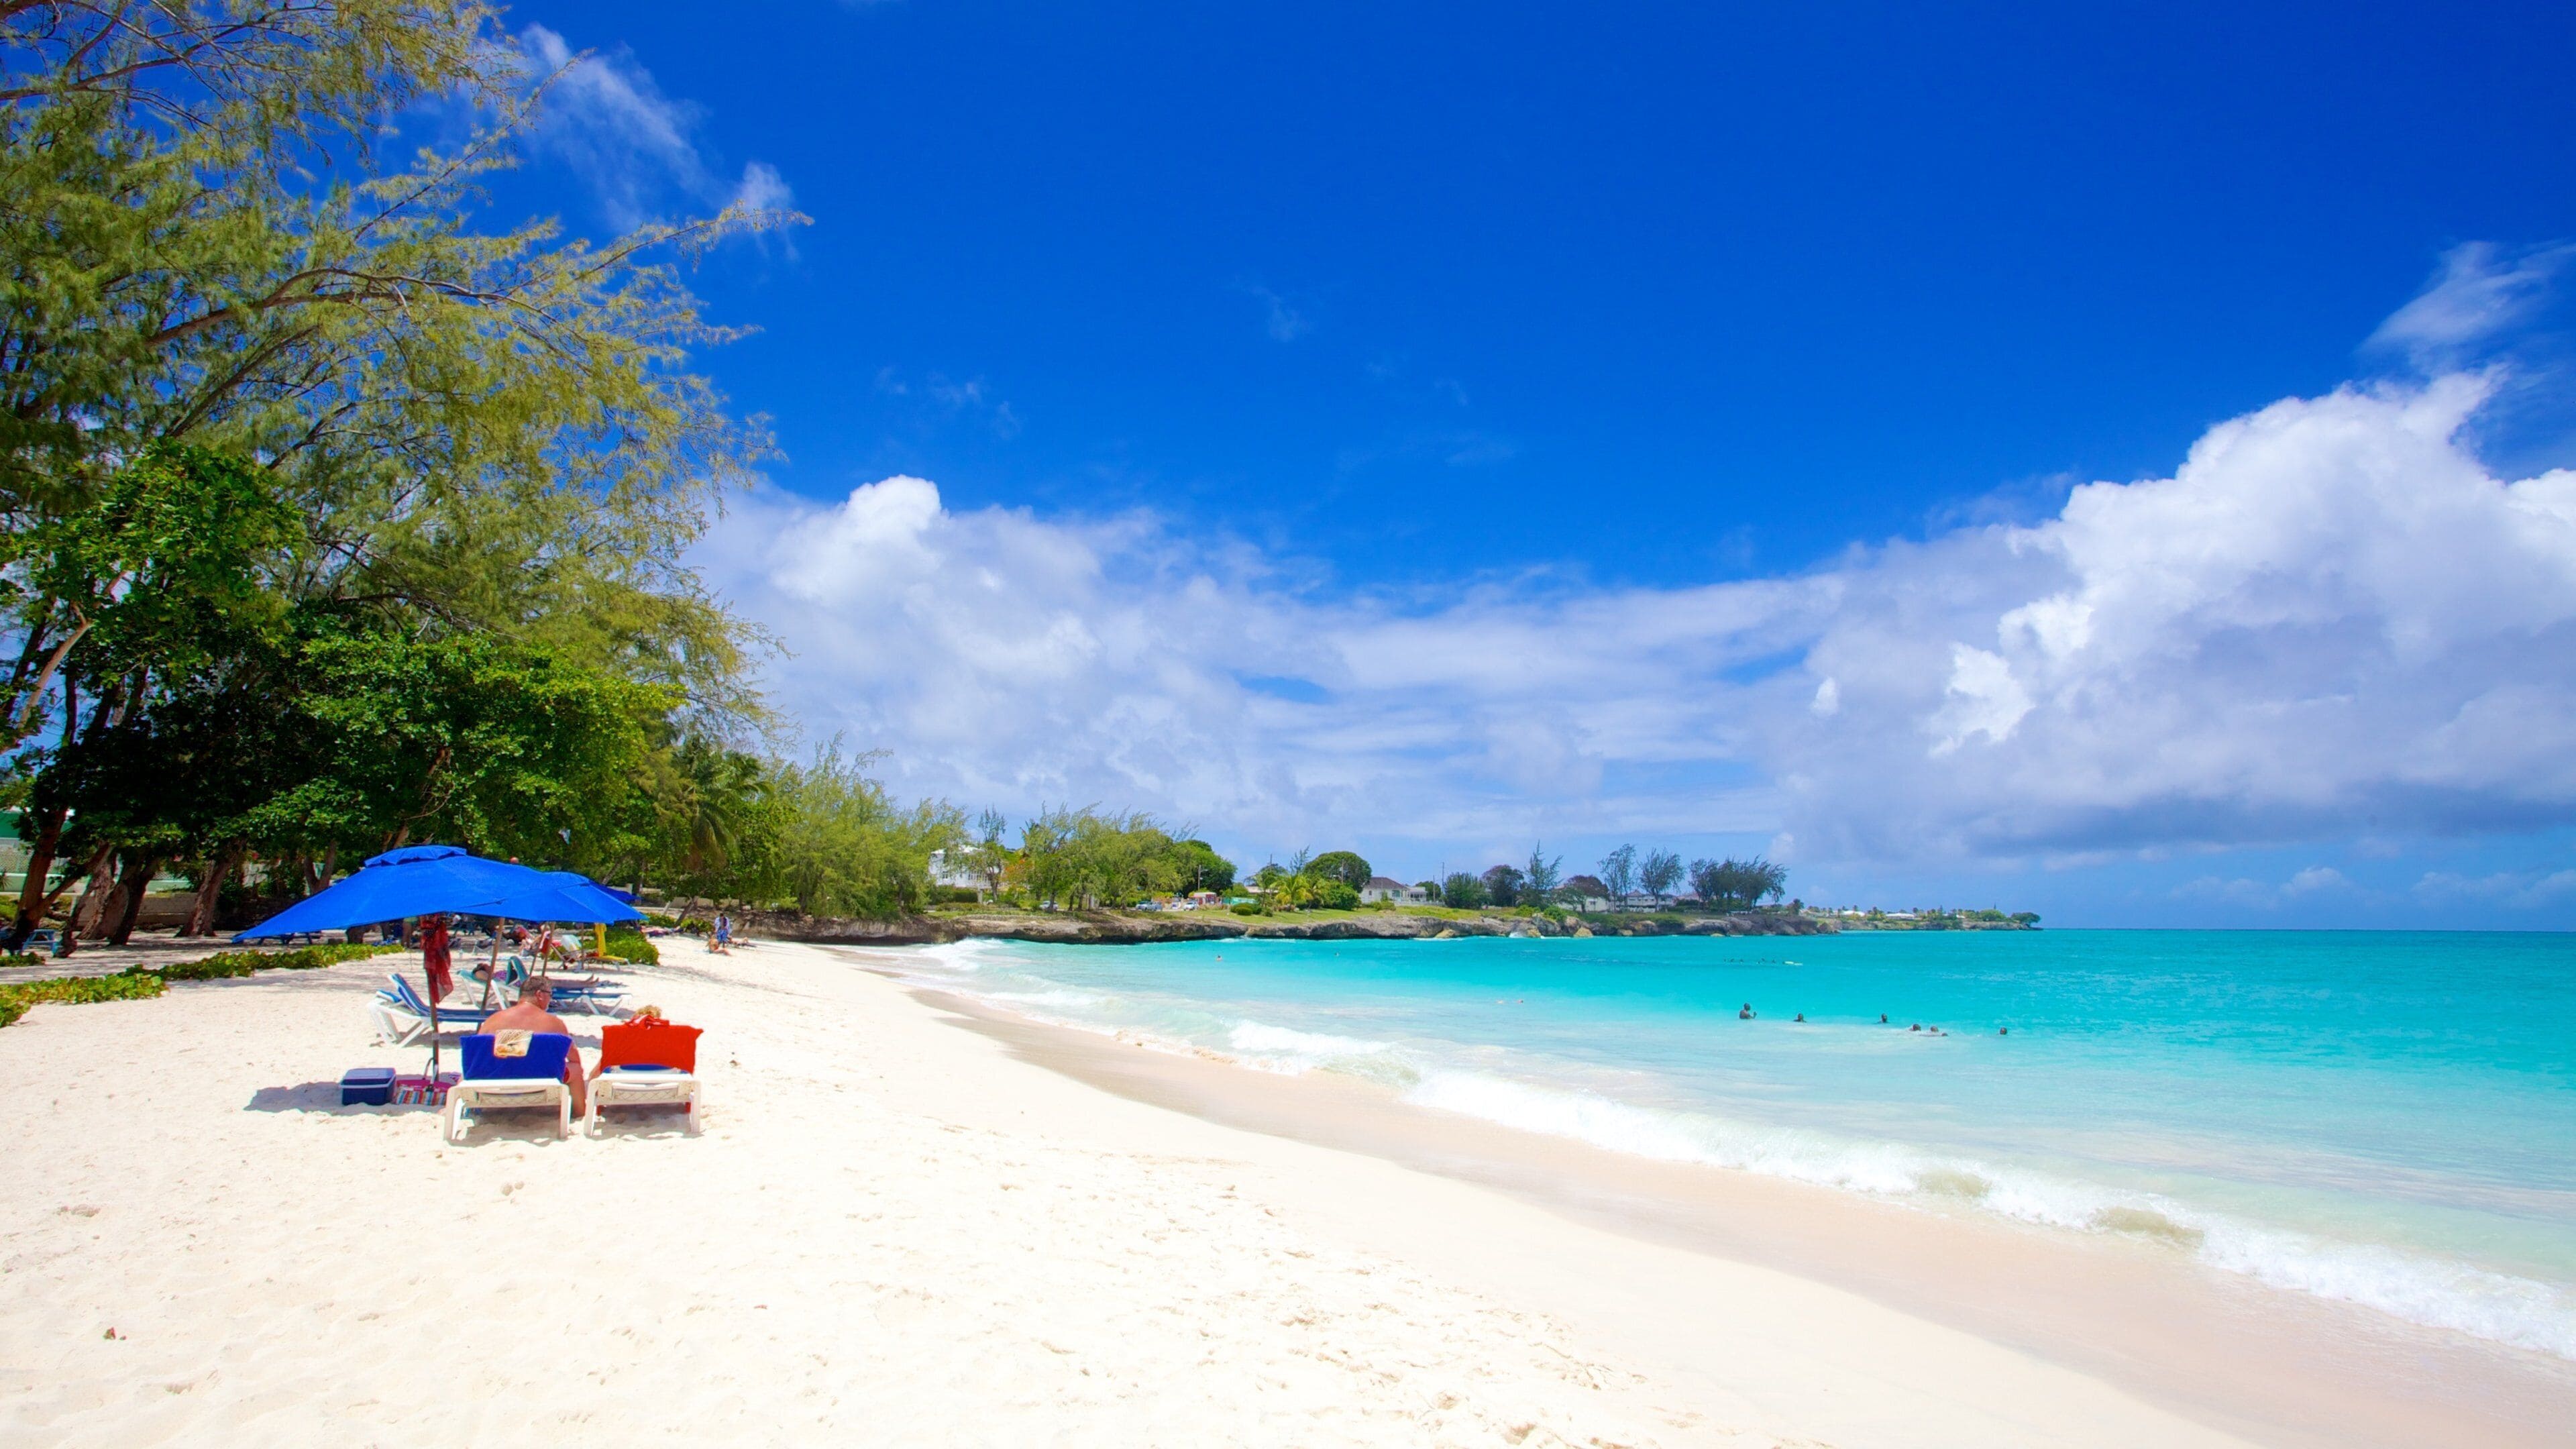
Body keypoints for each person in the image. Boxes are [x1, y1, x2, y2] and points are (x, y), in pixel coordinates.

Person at [476, 979, 586, 1116]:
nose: (550, 999)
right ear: (539, 994)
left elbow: (478, 1057)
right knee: (576, 1068)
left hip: (494, 1079)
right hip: (541, 1080)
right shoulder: (554, 1023)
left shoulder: (492, 1020)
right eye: (550, 995)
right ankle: (580, 1113)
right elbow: (574, 1058)